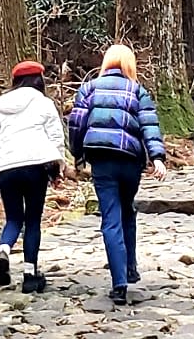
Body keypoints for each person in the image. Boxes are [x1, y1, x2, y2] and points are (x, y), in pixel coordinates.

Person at [68, 44, 168, 306]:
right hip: (130, 161)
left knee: (111, 219)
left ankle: (119, 282)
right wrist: (156, 157)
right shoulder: (137, 91)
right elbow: (149, 124)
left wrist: (77, 154)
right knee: (127, 211)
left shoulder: (89, 88)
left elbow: (76, 123)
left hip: (101, 160)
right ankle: (130, 267)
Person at [0, 61, 65, 293]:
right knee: (32, 220)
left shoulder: (0, 106)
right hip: (36, 166)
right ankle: (30, 274)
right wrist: (58, 167)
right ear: (39, 80)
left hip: (7, 167)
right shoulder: (44, 103)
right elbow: (55, 137)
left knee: (13, 219)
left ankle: (4, 249)